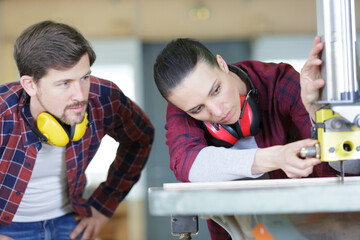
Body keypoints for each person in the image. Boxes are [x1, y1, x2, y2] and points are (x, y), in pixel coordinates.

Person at [153, 37, 351, 239]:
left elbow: (341, 171)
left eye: (216, 90)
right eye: (198, 109)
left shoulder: (279, 81)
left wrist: (316, 112)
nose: (217, 110)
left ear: (222, 64)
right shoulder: (184, 105)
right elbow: (188, 164)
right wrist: (275, 157)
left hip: (315, 225)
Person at [0, 20, 154, 240]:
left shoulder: (103, 97)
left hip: (70, 223)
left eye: (84, 77)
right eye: (64, 83)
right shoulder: (2, 113)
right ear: (30, 85)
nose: (81, 95)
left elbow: (141, 137)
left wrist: (103, 206)